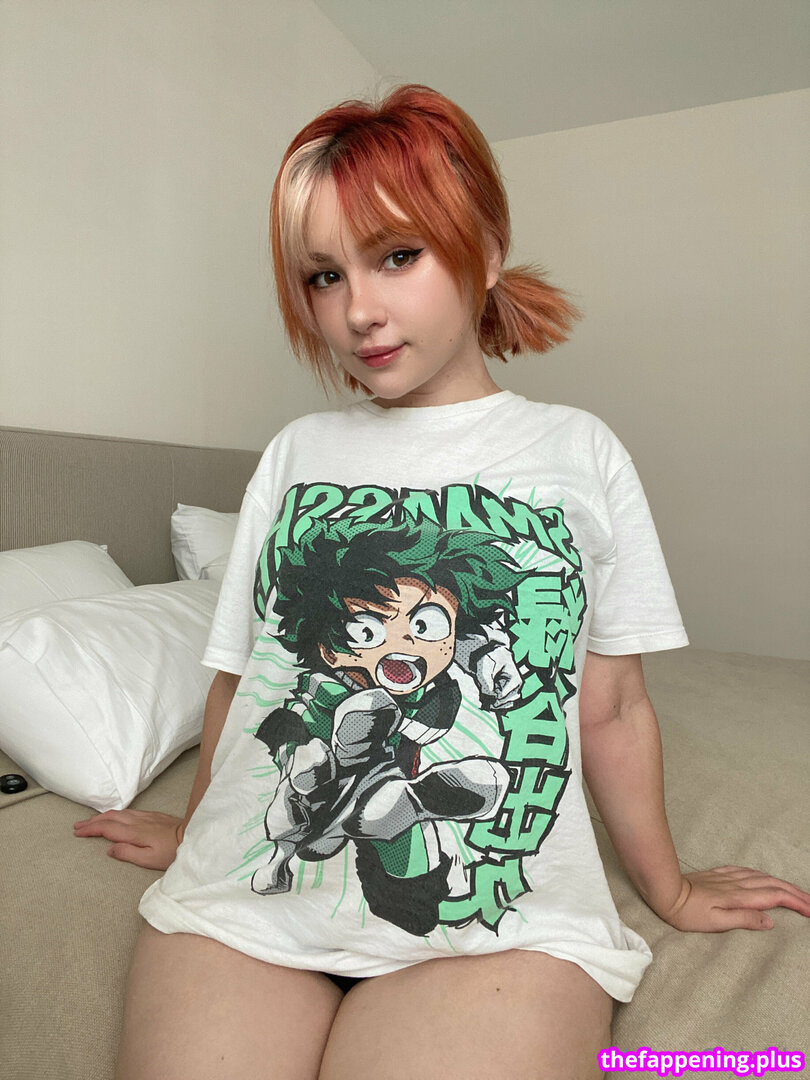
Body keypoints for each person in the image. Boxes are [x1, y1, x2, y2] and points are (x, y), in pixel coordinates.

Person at [73, 84, 810, 1080]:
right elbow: (241, 678)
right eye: (324, 275)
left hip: (498, 931)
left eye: (397, 256)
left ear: (485, 248)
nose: (357, 310)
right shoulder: (297, 453)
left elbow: (613, 705)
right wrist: (200, 827)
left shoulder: (577, 450)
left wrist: (668, 887)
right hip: (243, 900)